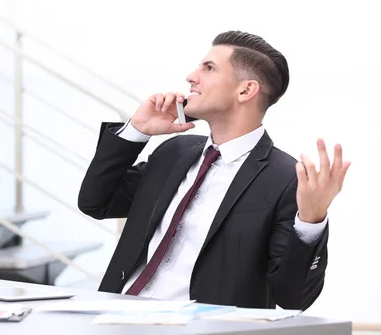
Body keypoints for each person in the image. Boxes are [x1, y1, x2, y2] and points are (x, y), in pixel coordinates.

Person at [78, 31, 350, 310]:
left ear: (245, 90)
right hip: (115, 316)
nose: (191, 77)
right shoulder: (174, 152)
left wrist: (311, 221)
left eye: (209, 68)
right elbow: (95, 202)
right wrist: (136, 130)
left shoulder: (286, 179)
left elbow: (293, 298)